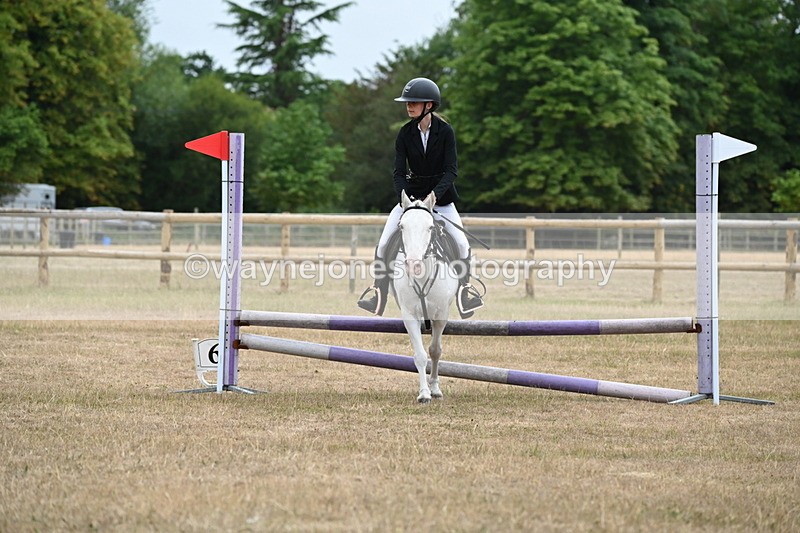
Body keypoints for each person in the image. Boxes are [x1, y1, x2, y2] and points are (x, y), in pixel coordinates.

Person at [357, 77, 484, 319]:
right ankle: (378, 292)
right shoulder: (404, 134)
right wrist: (404, 198)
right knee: (384, 243)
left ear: (429, 105)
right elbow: (398, 171)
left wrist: (434, 196)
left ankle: (465, 291)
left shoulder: (445, 132)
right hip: (411, 202)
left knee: (462, 243)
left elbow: (451, 170)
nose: (408, 106)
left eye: (413, 102)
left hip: (441, 201)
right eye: (407, 103)